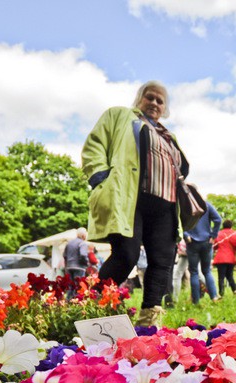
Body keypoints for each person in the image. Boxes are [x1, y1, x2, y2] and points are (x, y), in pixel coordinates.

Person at [82, 81, 189, 326]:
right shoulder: (119, 116)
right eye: (149, 97)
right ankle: (92, 309)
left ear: (165, 108)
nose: (154, 103)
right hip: (130, 198)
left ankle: (149, 321)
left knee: (162, 261)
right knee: (126, 254)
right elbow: (95, 143)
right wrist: (100, 177)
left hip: (165, 205)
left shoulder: (168, 135)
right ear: (139, 99)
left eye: (160, 101)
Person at [183, 201, 221, 304]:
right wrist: (213, 236)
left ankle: (196, 301)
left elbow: (180, 222)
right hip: (207, 241)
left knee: (194, 272)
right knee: (207, 271)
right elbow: (218, 219)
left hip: (192, 242)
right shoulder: (206, 204)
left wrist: (186, 234)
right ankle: (214, 297)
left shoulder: (185, 204)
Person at [63, 228, 90, 299]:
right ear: (83, 235)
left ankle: (68, 302)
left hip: (69, 267)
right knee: (78, 286)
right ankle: (76, 302)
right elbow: (83, 255)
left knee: (70, 286)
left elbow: (64, 255)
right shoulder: (82, 243)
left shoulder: (69, 243)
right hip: (79, 267)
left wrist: (67, 265)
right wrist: (86, 263)